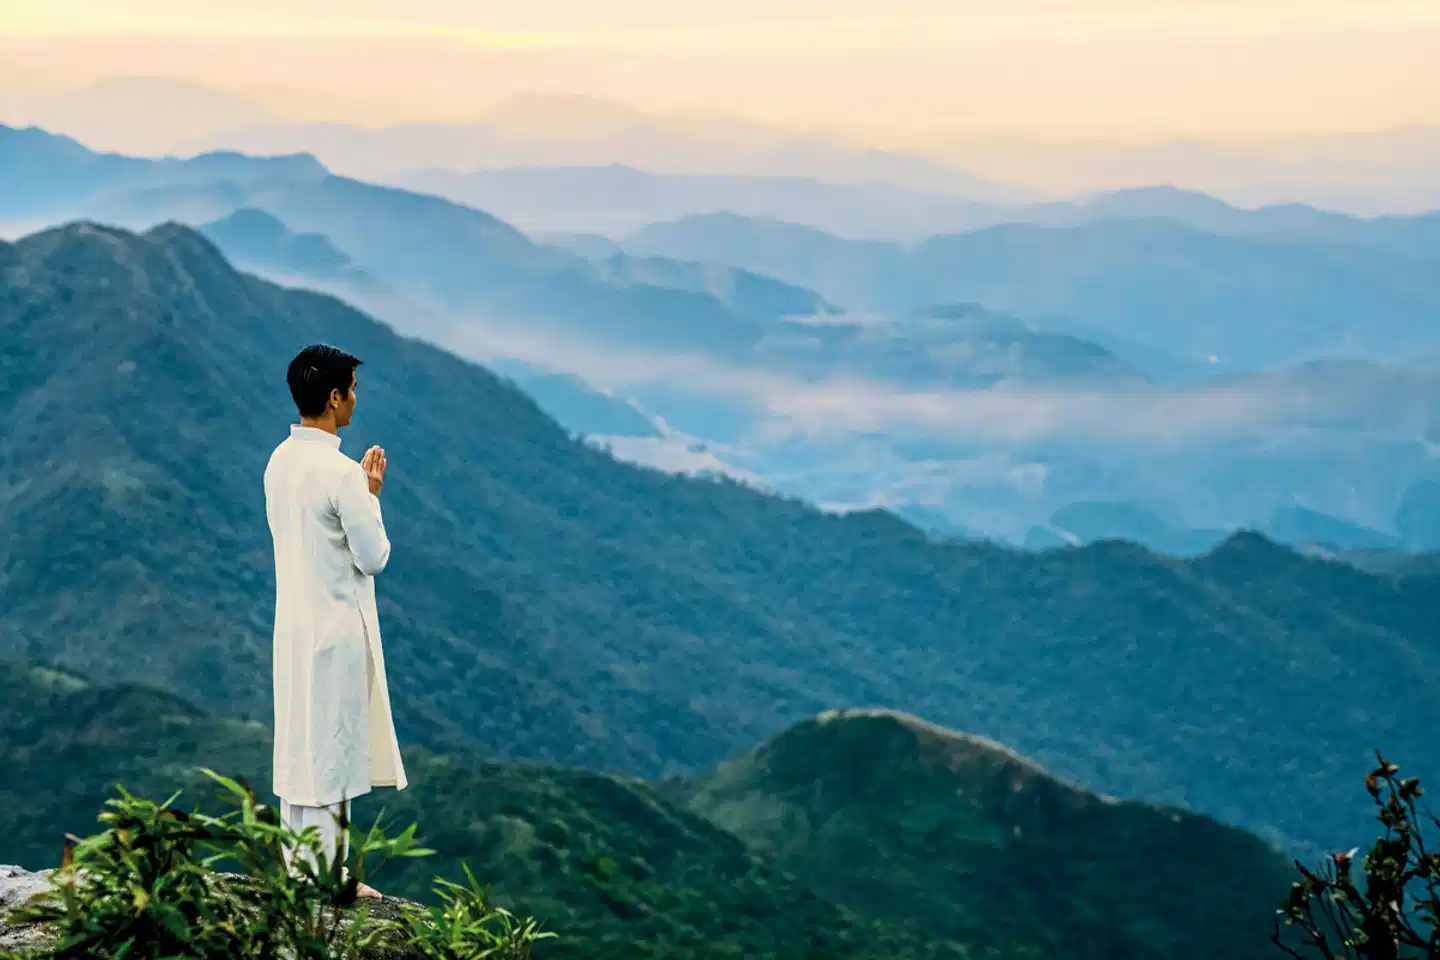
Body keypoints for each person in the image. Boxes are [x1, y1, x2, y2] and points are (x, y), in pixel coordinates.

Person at [263, 343, 407, 899]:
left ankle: (301, 869)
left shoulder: (280, 461)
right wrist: (370, 495)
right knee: (333, 752)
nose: (355, 399)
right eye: (352, 389)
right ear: (333, 396)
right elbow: (373, 557)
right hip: (337, 629)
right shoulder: (342, 473)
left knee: (301, 747)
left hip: (293, 627)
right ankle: (328, 881)